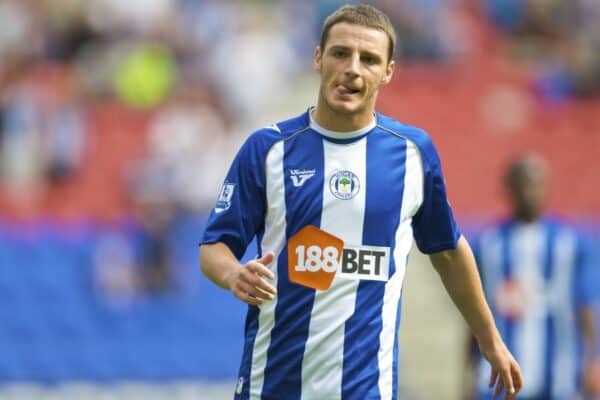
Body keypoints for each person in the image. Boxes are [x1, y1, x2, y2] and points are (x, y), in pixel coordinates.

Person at [199, 4, 523, 400]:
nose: (353, 68)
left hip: (366, 390)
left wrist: (489, 339)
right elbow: (215, 248)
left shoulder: (412, 153)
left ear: (387, 72)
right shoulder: (267, 150)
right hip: (273, 386)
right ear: (318, 58)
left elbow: (449, 252)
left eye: (369, 59)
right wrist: (234, 275)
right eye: (340, 53)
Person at [469, 154, 598, 400]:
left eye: (537, 183)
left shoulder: (570, 243)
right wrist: (467, 369)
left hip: (557, 376)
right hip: (498, 378)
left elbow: (585, 308)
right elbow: (476, 312)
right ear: (509, 188)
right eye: (524, 183)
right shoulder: (488, 245)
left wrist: (592, 362)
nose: (531, 191)